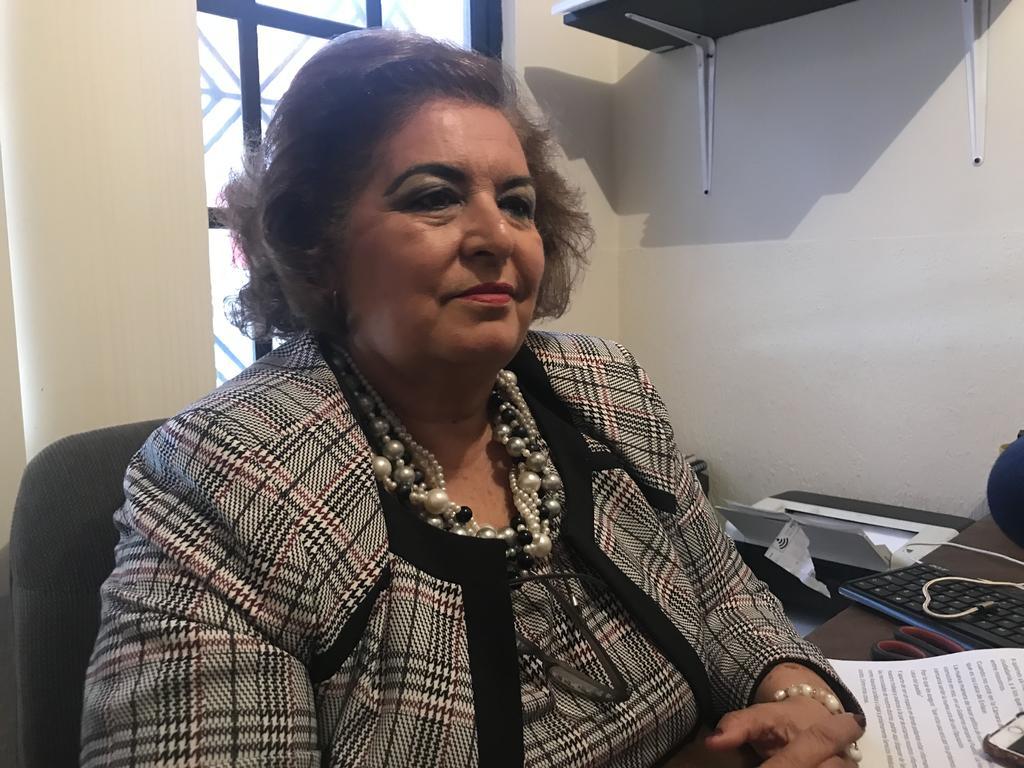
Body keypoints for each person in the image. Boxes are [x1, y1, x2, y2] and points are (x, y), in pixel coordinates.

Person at [81, 29, 865, 768]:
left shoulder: (604, 385)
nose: (498, 236)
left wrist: (795, 694)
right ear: (318, 247)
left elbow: (725, 595)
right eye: (434, 196)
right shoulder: (225, 474)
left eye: (518, 204)